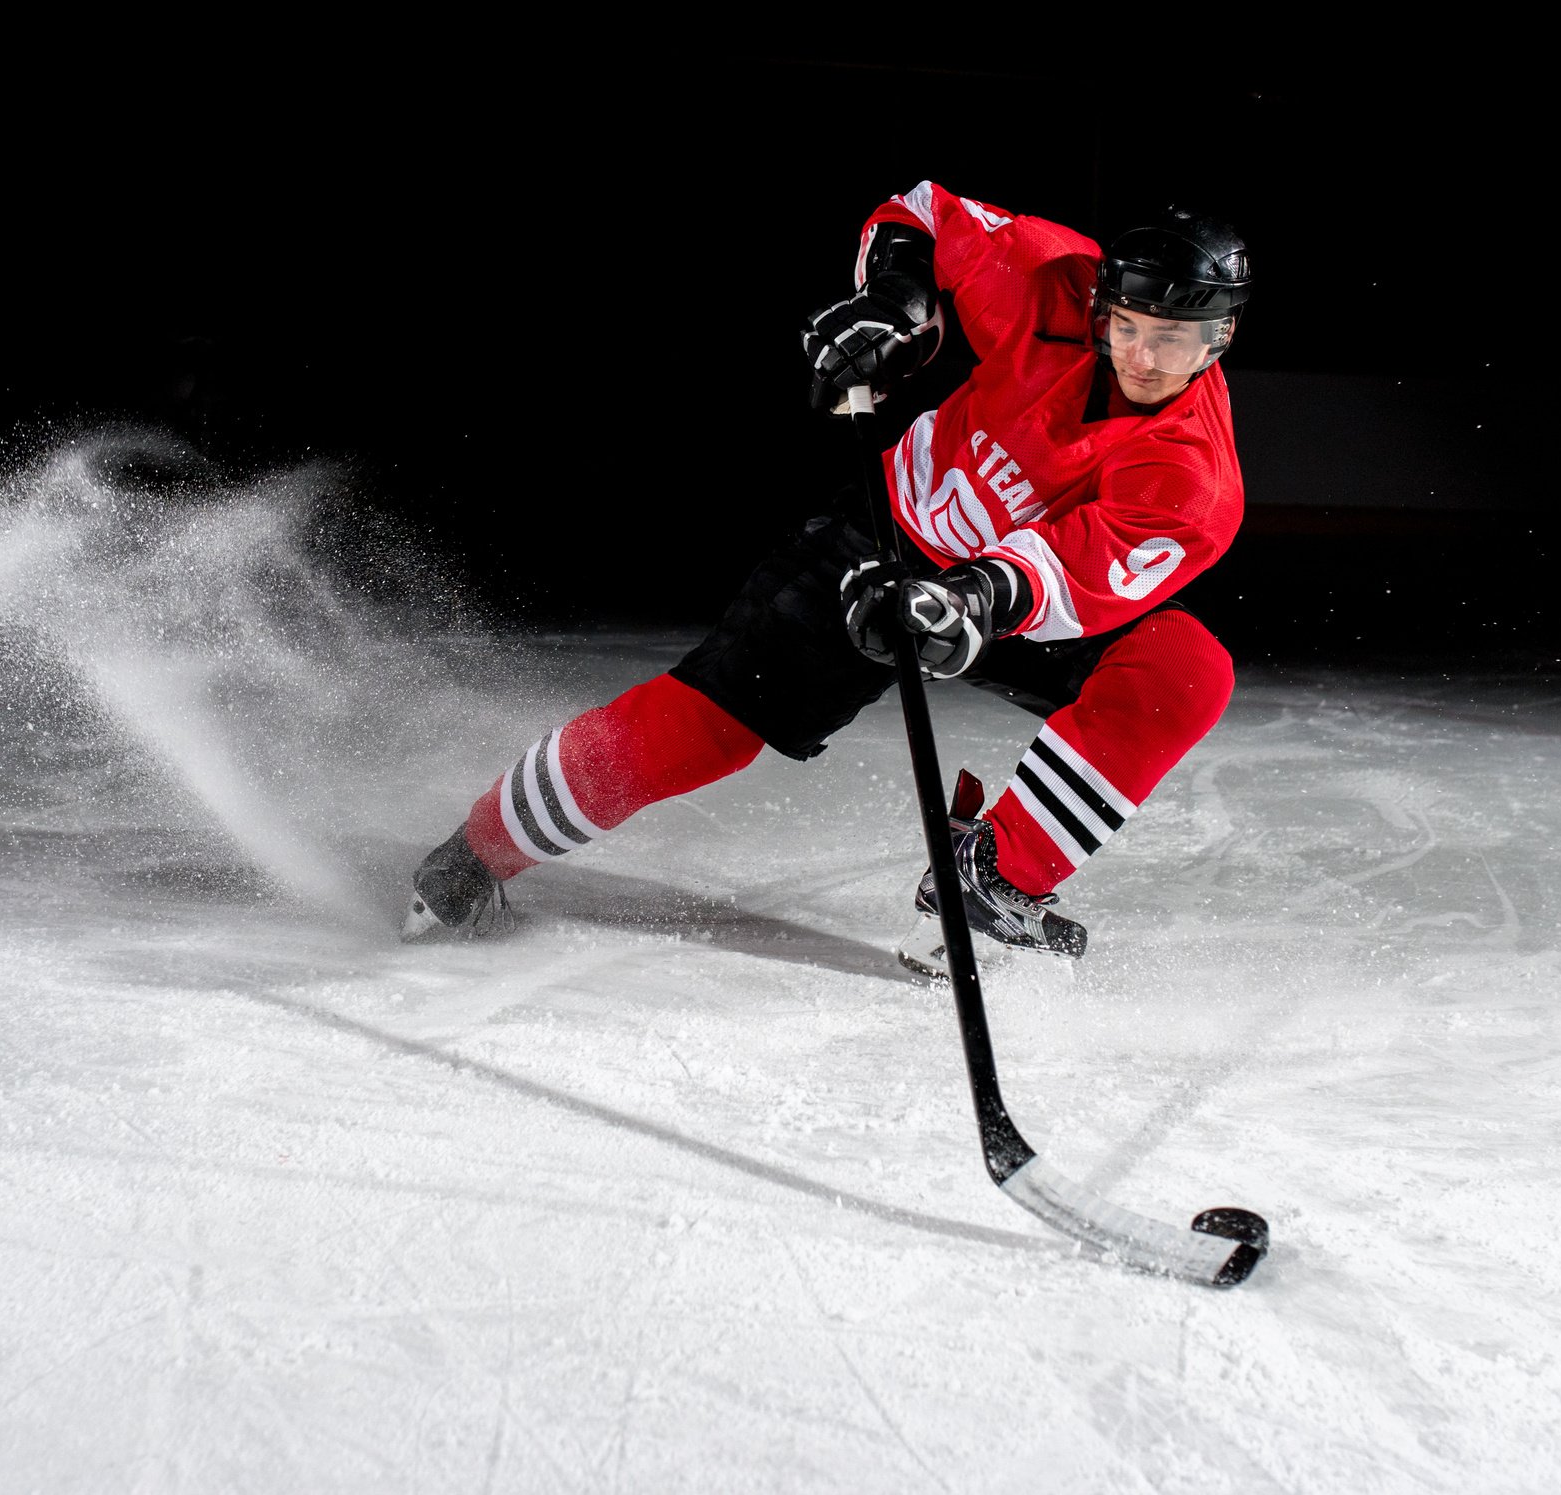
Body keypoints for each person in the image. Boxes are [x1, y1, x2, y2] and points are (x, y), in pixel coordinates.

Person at [400, 181, 1250, 971]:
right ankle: (472, 855)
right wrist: (899, 303)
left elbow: (1076, 572)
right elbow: (920, 211)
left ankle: (995, 874)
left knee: (1183, 669)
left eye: (1172, 341)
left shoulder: (1196, 476)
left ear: (1221, 338)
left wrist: (971, 599)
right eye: (1127, 325)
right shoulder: (1055, 282)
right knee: (702, 728)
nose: (1140, 355)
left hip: (1005, 605)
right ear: (1103, 303)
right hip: (879, 549)